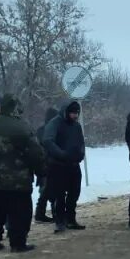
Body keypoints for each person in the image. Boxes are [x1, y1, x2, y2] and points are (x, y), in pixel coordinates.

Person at [0, 94, 46, 253]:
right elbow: (35, 152)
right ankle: (18, 243)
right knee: (19, 213)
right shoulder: (22, 127)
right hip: (18, 181)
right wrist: (41, 170)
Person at [42, 100, 86, 233]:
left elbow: (81, 142)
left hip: (73, 165)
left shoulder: (76, 126)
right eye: (73, 113)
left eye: (77, 113)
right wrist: (62, 154)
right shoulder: (55, 123)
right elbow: (48, 141)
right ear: (66, 111)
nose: (75, 116)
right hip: (58, 165)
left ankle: (71, 219)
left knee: (74, 193)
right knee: (59, 195)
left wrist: (81, 155)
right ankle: (60, 221)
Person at [33, 106, 59, 223]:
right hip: (50, 163)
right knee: (53, 190)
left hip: (41, 163)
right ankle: (55, 213)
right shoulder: (53, 130)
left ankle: (40, 213)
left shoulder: (40, 130)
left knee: (44, 191)